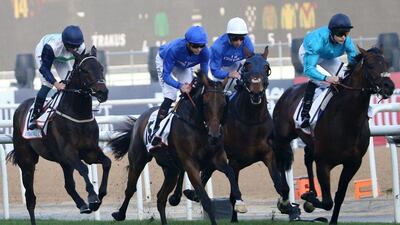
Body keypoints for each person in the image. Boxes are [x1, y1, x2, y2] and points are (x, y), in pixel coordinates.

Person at [151, 25, 210, 146]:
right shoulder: (174, 49)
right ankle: (156, 131)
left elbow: (204, 76)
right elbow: (166, 75)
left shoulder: (205, 53)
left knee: (192, 93)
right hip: (165, 61)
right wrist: (179, 86)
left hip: (183, 66)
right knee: (171, 95)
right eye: (195, 46)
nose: (199, 49)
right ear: (188, 43)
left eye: (201, 46)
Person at [298, 13, 358, 128]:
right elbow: (309, 69)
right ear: (332, 32)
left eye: (346, 33)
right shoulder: (316, 42)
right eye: (341, 34)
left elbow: (353, 65)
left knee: (344, 76)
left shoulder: (347, 41)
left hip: (328, 55)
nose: (344, 37)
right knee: (319, 81)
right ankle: (304, 115)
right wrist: (327, 78)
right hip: (309, 54)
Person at [28, 25, 86, 130]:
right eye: (71, 47)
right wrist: (56, 84)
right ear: (65, 43)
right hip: (44, 52)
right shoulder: (52, 47)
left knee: (70, 82)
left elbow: (76, 68)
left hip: (61, 57)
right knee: (47, 84)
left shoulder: (81, 47)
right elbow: (44, 69)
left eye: (76, 47)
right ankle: (34, 116)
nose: (74, 50)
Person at [209, 17, 254, 90]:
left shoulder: (248, 45)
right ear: (228, 36)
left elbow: (251, 64)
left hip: (236, 64)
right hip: (220, 67)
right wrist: (228, 74)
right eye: (235, 39)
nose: (238, 42)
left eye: (241, 38)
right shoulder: (218, 47)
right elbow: (215, 71)